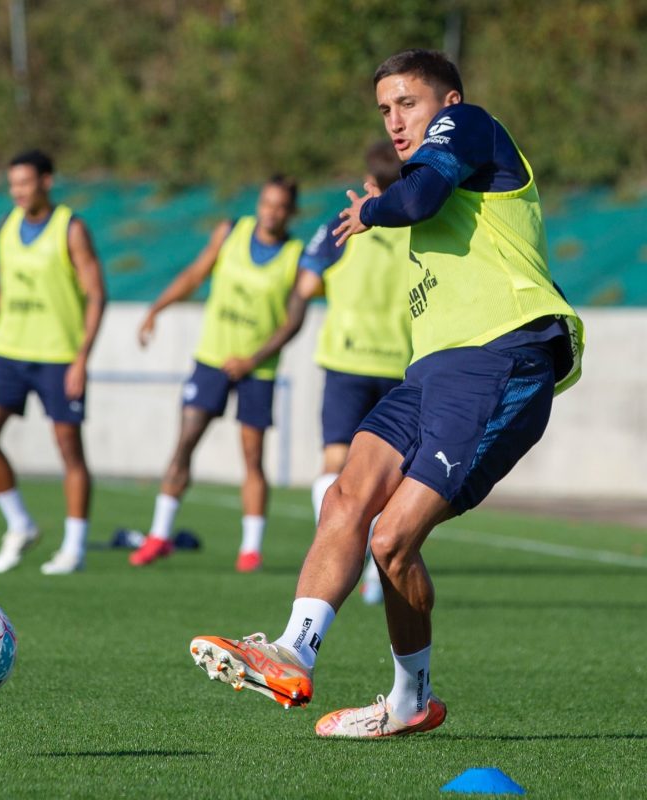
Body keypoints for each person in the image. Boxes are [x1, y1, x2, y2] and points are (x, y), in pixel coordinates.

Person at [189, 49, 584, 737]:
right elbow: (419, 200)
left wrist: (376, 210)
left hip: (503, 359)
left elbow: (419, 196)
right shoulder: (427, 183)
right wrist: (381, 209)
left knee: (394, 539)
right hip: (430, 373)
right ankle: (292, 651)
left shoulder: (468, 128)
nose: (395, 120)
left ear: (448, 102)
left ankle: (410, 700)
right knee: (346, 495)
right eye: (384, 110)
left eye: (408, 103)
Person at [222, 141, 412, 604]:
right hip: (400, 365)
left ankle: (339, 547)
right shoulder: (420, 227)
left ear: (370, 181)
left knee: (335, 465)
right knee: (391, 476)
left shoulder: (342, 226)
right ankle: (376, 571)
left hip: (346, 362)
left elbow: (303, 288)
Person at [131, 175, 303, 572]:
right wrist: (157, 308)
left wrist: (252, 358)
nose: (271, 213)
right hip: (211, 359)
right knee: (185, 443)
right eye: (266, 203)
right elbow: (195, 274)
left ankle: (250, 550)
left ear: (291, 212)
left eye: (280, 207)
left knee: (252, 457)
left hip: (257, 369)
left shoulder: (295, 256)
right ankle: (158, 536)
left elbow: (293, 321)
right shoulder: (231, 233)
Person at [0, 149, 106, 576]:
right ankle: (20, 524)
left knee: (69, 450)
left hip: (58, 356)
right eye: (13, 185)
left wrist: (82, 357)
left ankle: (74, 548)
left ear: (46, 181)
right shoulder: (6, 225)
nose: (18, 192)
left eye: (25, 183)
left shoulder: (71, 228)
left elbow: (96, 294)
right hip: (10, 351)